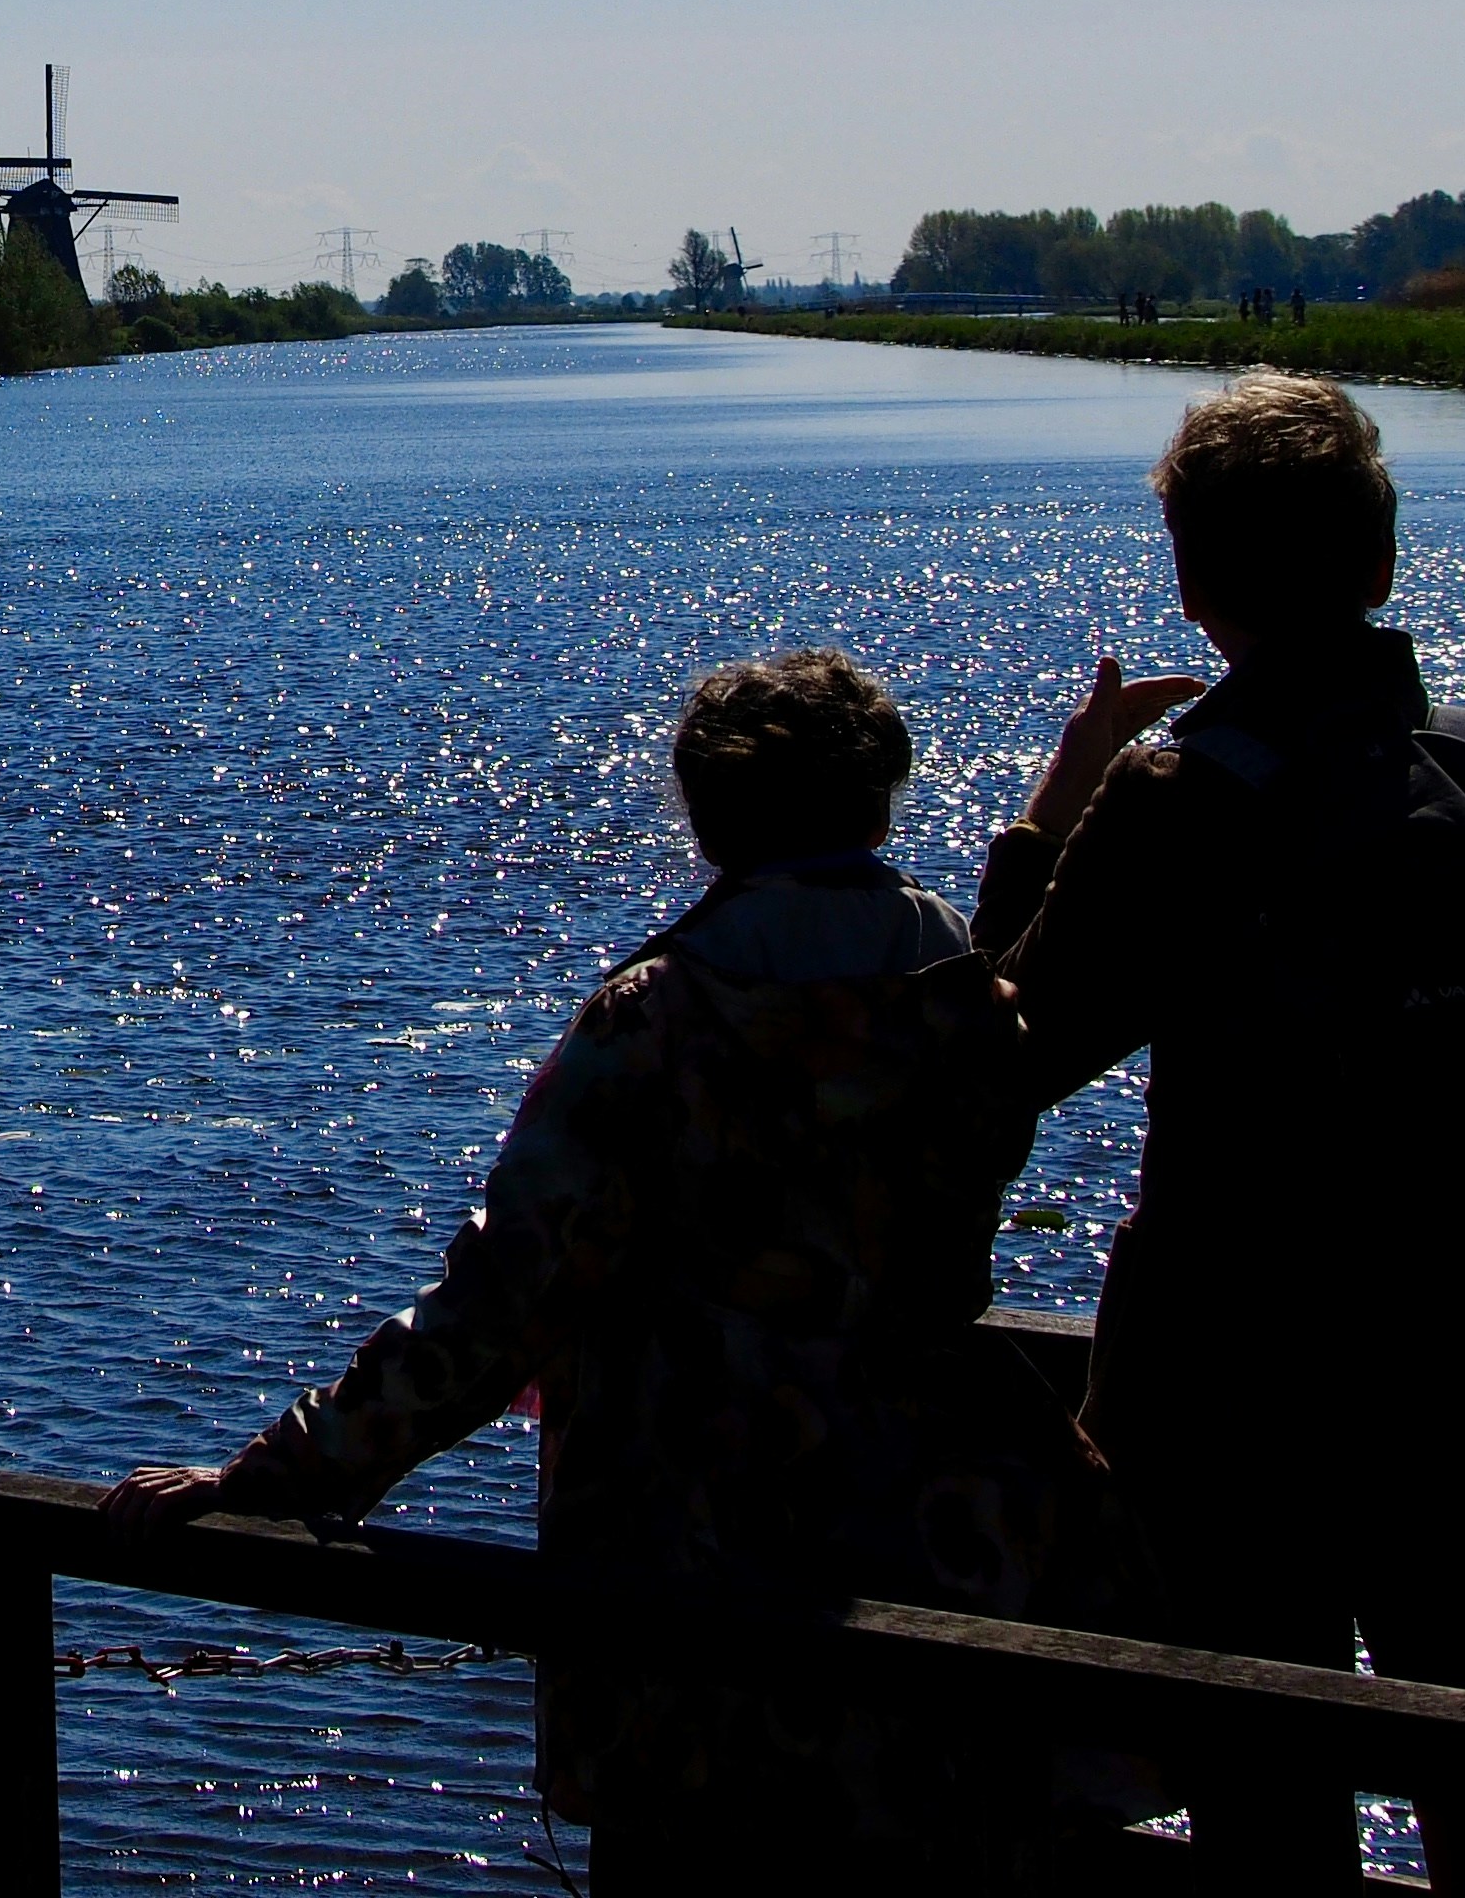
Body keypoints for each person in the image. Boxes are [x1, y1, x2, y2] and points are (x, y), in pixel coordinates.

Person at [106, 651, 1146, 1889]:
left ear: (706, 817)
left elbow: (499, 1304)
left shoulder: (659, 1019)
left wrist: (280, 1471)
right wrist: (1068, 789)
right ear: (880, 803)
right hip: (947, 1545)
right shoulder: (965, 1003)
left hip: (697, 1583)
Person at [985, 370, 1465, 1891]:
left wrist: (1048, 815)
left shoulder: (1177, 794)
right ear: (1382, 561)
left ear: (1192, 584)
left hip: (1232, 1425)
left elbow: (991, 1070)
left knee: (1271, 1838)